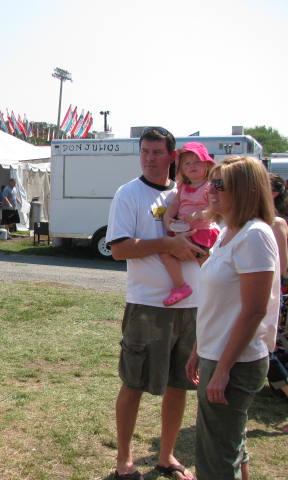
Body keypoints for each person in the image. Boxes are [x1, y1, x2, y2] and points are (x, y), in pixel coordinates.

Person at [106, 126, 204, 480]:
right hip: (148, 305)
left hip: (191, 307)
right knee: (133, 383)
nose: (149, 158)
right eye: (145, 151)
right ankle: (124, 461)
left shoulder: (188, 193)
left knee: (181, 384)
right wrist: (166, 245)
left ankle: (166, 456)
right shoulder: (128, 194)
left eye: (157, 152)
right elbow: (118, 249)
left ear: (172, 156)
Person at [185, 156, 280, 480]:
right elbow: (219, 302)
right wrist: (200, 348)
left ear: (244, 189)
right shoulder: (229, 231)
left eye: (219, 184)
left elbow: (254, 310)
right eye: (211, 181)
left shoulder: (254, 235)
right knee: (231, 445)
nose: (210, 189)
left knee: (215, 461)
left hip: (235, 361)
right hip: (217, 353)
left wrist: (223, 369)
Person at [160, 143, 220, 306]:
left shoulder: (209, 187)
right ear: (182, 169)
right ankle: (181, 286)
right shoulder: (182, 188)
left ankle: (214, 291)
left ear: (207, 165)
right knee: (165, 253)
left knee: (205, 262)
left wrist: (199, 214)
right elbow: (174, 205)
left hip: (202, 232)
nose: (192, 166)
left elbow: (215, 209)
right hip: (183, 232)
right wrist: (167, 218)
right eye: (187, 163)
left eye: (197, 162)